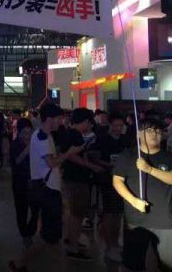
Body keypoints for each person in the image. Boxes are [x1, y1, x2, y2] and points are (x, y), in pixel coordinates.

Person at [9, 104, 84, 271]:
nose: (61, 122)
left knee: (52, 234)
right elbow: (51, 162)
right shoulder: (42, 137)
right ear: (50, 119)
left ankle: (25, 262)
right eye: (59, 118)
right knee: (50, 235)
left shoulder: (44, 135)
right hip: (47, 190)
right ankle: (20, 263)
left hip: (47, 188)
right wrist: (70, 153)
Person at [113, 118, 172, 271]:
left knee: (167, 264)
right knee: (133, 264)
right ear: (139, 134)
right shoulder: (128, 155)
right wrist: (133, 201)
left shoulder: (168, 156)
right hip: (136, 220)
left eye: (158, 131)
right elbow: (117, 181)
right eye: (150, 130)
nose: (155, 134)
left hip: (165, 221)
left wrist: (149, 169)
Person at [61, 107, 104, 261]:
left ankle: (71, 239)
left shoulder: (70, 133)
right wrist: (92, 166)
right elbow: (72, 156)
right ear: (85, 121)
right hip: (76, 178)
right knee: (78, 213)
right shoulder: (75, 135)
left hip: (71, 177)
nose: (90, 126)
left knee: (74, 212)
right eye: (89, 122)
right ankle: (73, 247)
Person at [92, 112, 126, 263]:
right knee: (109, 213)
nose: (118, 128)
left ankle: (115, 243)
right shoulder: (102, 139)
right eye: (115, 126)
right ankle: (110, 245)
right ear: (110, 125)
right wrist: (108, 165)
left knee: (118, 213)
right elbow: (94, 157)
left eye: (120, 126)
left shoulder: (125, 140)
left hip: (123, 180)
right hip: (107, 180)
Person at [10, 118, 39, 248]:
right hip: (20, 181)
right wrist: (27, 149)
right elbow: (15, 162)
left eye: (29, 132)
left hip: (34, 180)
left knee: (35, 208)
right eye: (24, 133)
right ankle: (25, 234)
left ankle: (31, 230)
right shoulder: (15, 144)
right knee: (21, 208)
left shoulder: (36, 143)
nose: (27, 135)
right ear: (19, 132)